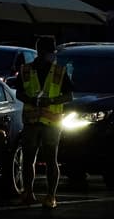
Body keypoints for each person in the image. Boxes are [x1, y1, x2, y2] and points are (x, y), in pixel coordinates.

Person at [15, 35, 73, 209]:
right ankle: (28, 193)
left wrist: (52, 101)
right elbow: (19, 93)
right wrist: (31, 100)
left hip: (51, 122)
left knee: (50, 159)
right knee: (28, 159)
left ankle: (50, 196)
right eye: (51, 52)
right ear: (44, 52)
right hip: (32, 121)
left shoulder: (59, 72)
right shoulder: (25, 70)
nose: (53, 55)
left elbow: (69, 95)